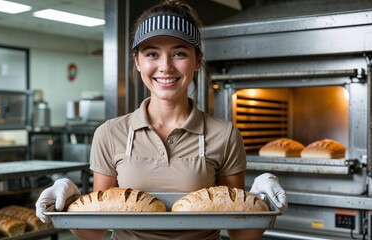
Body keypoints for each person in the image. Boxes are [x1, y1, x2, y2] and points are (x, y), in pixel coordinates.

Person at [36, 0, 287, 239]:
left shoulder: (224, 134)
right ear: (137, 61)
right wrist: (65, 208)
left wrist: (260, 204)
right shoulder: (109, 134)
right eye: (152, 54)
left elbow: (240, 233)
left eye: (179, 53)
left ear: (197, 60)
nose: (165, 67)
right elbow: (94, 231)